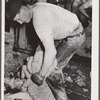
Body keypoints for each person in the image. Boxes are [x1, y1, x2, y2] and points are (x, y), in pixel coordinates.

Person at [6, 0, 85, 86]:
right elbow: (45, 33)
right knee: (43, 59)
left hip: (75, 36)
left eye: (18, 19)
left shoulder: (39, 22)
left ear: (22, 10)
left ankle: (60, 97)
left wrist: (40, 75)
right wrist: (39, 53)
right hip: (67, 29)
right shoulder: (36, 6)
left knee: (52, 71)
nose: (20, 22)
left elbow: (51, 52)